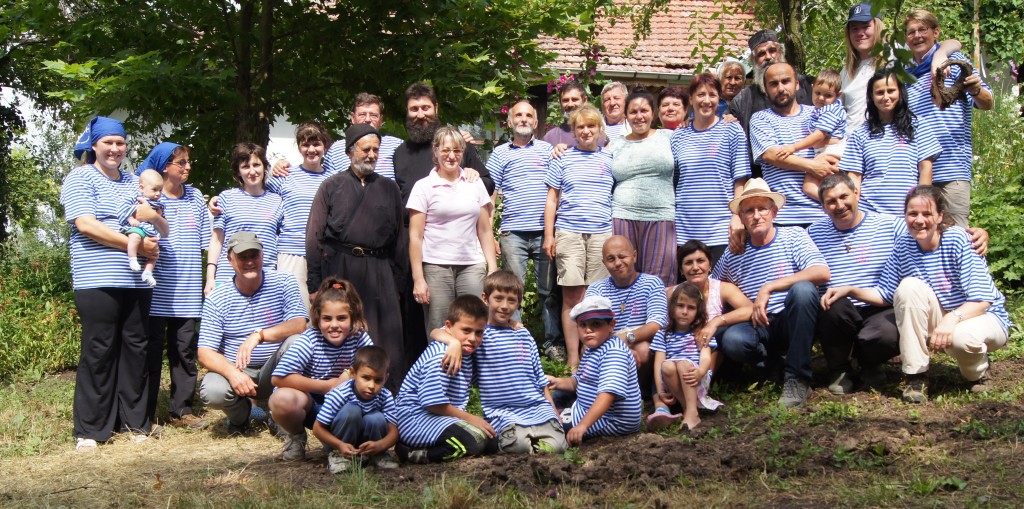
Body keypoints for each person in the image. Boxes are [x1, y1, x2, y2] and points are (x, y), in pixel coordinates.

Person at [822, 186, 1009, 403]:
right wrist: (851, 290)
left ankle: (979, 373)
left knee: (961, 338)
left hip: (982, 317)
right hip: (943, 318)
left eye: (927, 214)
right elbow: (886, 293)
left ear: (940, 216)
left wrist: (951, 319)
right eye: (913, 214)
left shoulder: (959, 240)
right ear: (905, 216)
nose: (919, 220)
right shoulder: (904, 245)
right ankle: (916, 375)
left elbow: (982, 300)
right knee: (908, 286)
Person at [61, 116, 167, 450]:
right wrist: (132, 243)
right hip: (96, 279)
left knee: (136, 348)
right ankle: (91, 429)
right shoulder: (80, 177)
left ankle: (134, 423)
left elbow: (153, 218)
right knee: (100, 349)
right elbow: (86, 224)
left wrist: (154, 233)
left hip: (135, 281)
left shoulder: (134, 181)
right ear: (94, 145)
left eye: (120, 143)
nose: (115, 149)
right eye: (108, 143)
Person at [305, 124, 408, 391]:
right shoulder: (331, 186)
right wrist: (315, 285)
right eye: (366, 149)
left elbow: (399, 239)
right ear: (351, 152)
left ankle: (388, 399)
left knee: (384, 337)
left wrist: (397, 283)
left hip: (379, 272)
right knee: (340, 333)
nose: (372, 155)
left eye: (376, 149)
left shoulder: (389, 188)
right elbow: (314, 236)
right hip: (340, 269)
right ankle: (337, 396)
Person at [711, 179, 830, 408]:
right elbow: (714, 288)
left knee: (803, 290)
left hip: (790, 318)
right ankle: (773, 366)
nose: (756, 216)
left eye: (762, 209)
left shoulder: (793, 236)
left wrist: (770, 287)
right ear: (742, 218)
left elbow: (821, 271)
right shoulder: (734, 252)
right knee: (733, 339)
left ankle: (798, 377)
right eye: (749, 211)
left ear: (773, 212)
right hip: (757, 325)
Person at [431, 271, 567, 454]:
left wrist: (553, 411)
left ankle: (541, 441)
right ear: (485, 299)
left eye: (511, 300)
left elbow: (540, 380)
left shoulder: (523, 334)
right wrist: (453, 342)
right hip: (503, 414)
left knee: (557, 445)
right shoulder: (478, 333)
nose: (505, 306)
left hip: (538, 409)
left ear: (518, 303)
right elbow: (435, 333)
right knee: (517, 446)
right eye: (498, 299)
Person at [197, 232, 308, 433]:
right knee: (213, 390)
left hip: (275, 368)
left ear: (262, 256)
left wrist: (258, 335)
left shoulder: (284, 282)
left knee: (297, 341)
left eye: (254, 255)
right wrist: (232, 373)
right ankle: (241, 417)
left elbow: (299, 324)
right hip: (239, 371)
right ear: (230, 260)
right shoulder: (217, 298)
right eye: (242, 257)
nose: (249, 262)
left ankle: (281, 416)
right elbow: (205, 352)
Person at [136, 142, 211, 430]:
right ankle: (148, 413)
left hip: (189, 290)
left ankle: (182, 410)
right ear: (165, 166)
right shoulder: (149, 199)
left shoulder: (194, 198)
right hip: (155, 291)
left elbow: (208, 241)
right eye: (182, 162)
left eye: (188, 161)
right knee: (151, 350)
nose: (188, 166)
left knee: (184, 351)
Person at [487, 100, 564, 360]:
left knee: (548, 292)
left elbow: (558, 188)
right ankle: (513, 343)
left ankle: (552, 343)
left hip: (545, 232)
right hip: (512, 233)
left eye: (528, 115)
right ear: (509, 122)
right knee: (512, 291)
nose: (523, 119)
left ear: (536, 122)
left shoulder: (548, 150)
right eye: (517, 115)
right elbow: (491, 195)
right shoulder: (500, 153)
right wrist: (489, 234)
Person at [903, 8, 993, 228]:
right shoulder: (904, 73)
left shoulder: (954, 61)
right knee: (922, 233)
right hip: (918, 169)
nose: (917, 36)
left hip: (952, 167)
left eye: (922, 29)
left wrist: (974, 90)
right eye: (911, 32)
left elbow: (988, 102)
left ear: (936, 32)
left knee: (956, 233)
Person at [268, 278, 373, 461]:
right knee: (281, 399)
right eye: (327, 318)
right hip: (311, 403)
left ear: (353, 318)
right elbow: (278, 378)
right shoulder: (309, 340)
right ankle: (296, 437)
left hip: (345, 405)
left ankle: (340, 442)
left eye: (341, 318)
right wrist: (326, 386)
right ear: (318, 318)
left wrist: (348, 373)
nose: (334, 325)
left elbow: (373, 365)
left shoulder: (359, 338)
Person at [543, 104, 614, 369]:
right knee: (572, 297)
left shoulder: (610, 159)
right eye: (580, 127)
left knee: (595, 296)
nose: (586, 131)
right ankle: (574, 358)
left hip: (601, 233)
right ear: (573, 131)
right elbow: (552, 199)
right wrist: (549, 236)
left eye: (591, 126)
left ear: (599, 129)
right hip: (569, 233)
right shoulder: (562, 158)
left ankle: (591, 356)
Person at [408, 126, 498, 332]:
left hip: (472, 265)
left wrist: (492, 268)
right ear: (435, 151)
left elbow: (484, 231)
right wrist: (418, 279)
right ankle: (440, 365)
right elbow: (415, 236)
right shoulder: (424, 187)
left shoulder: (474, 183)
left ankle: (472, 365)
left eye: (457, 150)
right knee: (439, 327)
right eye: (446, 150)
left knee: (475, 322)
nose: (451, 156)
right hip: (436, 267)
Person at [396, 296, 494, 464]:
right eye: (466, 331)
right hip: (416, 419)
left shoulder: (461, 347)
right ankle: (414, 454)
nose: (473, 338)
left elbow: (436, 331)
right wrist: (470, 418)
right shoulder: (442, 356)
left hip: (439, 418)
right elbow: (432, 403)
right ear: (449, 327)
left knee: (492, 439)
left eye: (479, 332)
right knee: (472, 443)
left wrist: (512, 324)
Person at [841, 2, 961, 134]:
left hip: (885, 140)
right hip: (850, 143)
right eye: (854, 28)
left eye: (866, 27)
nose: (860, 33)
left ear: (877, 27)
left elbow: (951, 43)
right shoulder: (846, 72)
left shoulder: (895, 53)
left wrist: (940, 55)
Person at [839, 70, 940, 216]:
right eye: (880, 92)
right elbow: (854, 177)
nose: (886, 97)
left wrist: (921, 206)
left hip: (907, 213)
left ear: (900, 92)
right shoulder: (860, 133)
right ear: (871, 97)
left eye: (891, 91)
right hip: (869, 213)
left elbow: (925, 169)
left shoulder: (919, 126)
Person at [671, 73, 750, 260]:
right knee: (688, 289)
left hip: (721, 229)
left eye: (712, 95)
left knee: (719, 289)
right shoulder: (678, 136)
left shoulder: (732, 130)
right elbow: (675, 183)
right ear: (690, 99)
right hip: (685, 230)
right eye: (700, 95)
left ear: (719, 98)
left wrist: (737, 217)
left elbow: (740, 180)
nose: (706, 101)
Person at [749, 62, 838, 226]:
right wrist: (813, 165)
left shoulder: (818, 114)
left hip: (824, 215)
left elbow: (838, 145)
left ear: (797, 84)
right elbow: (771, 154)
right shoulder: (760, 119)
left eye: (786, 81)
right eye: (773, 84)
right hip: (783, 217)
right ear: (766, 90)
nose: (781, 88)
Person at [546, 296, 642, 445]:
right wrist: (557, 382)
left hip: (611, 419)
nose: (588, 330)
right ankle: (560, 413)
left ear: (611, 325)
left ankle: (563, 418)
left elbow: (607, 395)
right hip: (586, 404)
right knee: (557, 395)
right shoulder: (593, 349)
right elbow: (579, 382)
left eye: (596, 324)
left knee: (550, 427)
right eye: (582, 325)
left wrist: (582, 425)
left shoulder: (613, 352)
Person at [606, 90, 677, 285]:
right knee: (623, 277)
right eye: (633, 112)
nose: (639, 116)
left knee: (659, 281)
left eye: (644, 110)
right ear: (626, 116)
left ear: (653, 113)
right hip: (622, 216)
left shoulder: (669, 137)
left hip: (660, 217)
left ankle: (657, 317)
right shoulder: (615, 144)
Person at [584, 236, 668, 392]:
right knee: (587, 348)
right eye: (611, 259)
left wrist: (625, 338)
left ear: (634, 256)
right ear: (604, 263)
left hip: (637, 344)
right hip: (605, 347)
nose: (617, 263)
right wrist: (618, 347)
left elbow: (656, 325)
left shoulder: (652, 283)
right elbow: (589, 330)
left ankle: (638, 393)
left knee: (643, 349)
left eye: (622, 256)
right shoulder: (596, 290)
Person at [727, 29, 815, 177]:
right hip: (763, 182)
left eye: (772, 50)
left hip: (813, 177)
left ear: (781, 52)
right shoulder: (742, 100)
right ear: (754, 61)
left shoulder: (810, 86)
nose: (768, 57)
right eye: (761, 54)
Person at [204, 143, 283, 294]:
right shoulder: (226, 198)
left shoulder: (277, 200)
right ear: (238, 172)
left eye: (256, 165)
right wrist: (210, 278)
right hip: (229, 277)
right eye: (246, 166)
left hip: (266, 278)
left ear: (264, 167)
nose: (252, 171)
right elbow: (217, 239)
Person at [648, 282, 722, 431]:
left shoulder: (701, 332)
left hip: (696, 378)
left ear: (698, 310)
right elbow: (658, 363)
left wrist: (700, 371)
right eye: (680, 306)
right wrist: (660, 389)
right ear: (672, 307)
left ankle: (691, 412)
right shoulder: (663, 334)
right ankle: (689, 409)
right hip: (673, 381)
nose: (684, 311)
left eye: (691, 308)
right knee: (667, 365)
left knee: (683, 364)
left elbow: (706, 357)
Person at [314, 346, 400, 473]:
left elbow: (394, 432)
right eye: (366, 378)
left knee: (376, 417)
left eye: (378, 380)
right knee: (351, 411)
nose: (371, 386)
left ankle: (376, 455)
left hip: (369, 444)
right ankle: (338, 457)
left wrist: (380, 446)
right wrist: (339, 445)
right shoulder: (340, 394)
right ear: (353, 373)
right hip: (339, 442)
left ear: (386, 378)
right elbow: (317, 429)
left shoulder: (385, 396)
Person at [773, 69, 847, 201]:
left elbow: (819, 136)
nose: (821, 98)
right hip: (825, 150)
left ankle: (833, 202)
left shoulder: (830, 111)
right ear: (812, 88)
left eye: (828, 95)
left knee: (809, 187)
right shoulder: (818, 110)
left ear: (838, 95)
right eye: (817, 93)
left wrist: (793, 148)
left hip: (830, 152)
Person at [671, 240, 754, 356]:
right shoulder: (671, 294)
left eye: (700, 261)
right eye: (689, 263)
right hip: (678, 352)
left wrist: (716, 322)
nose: (695, 267)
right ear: (681, 270)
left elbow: (750, 309)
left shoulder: (722, 289)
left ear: (710, 265)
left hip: (712, 350)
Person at [122, 169, 164, 287]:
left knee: (155, 253)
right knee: (134, 237)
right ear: (142, 188)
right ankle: (132, 258)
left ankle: (148, 272)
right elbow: (124, 210)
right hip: (139, 227)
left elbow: (161, 221)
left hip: (151, 231)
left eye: (160, 190)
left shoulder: (159, 203)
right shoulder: (136, 199)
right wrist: (131, 219)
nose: (158, 194)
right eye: (154, 190)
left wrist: (158, 216)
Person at [543, 81, 609, 148]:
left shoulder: (600, 138)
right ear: (560, 103)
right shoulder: (550, 138)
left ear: (585, 101)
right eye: (565, 100)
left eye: (574, 99)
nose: (570, 104)